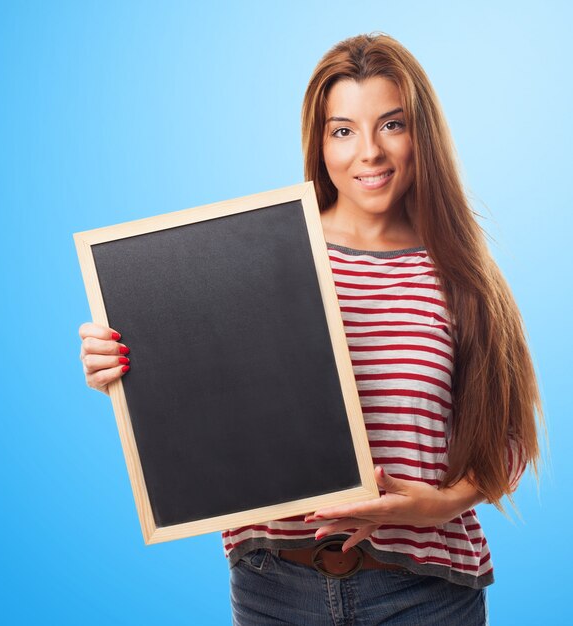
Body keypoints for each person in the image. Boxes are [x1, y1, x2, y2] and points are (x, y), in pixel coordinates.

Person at [79, 33, 542, 625]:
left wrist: (437, 506)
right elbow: (203, 393)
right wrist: (125, 370)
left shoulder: (462, 274)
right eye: (342, 129)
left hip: (423, 593)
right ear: (319, 142)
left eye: (392, 124)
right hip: (273, 588)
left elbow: (506, 440)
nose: (368, 152)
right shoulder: (257, 255)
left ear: (422, 132)